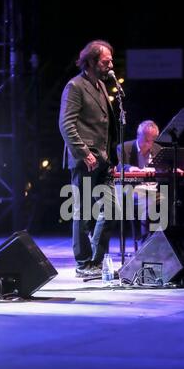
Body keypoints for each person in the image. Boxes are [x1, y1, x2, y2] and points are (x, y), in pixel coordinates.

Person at [59, 40, 118, 277]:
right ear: (92, 62)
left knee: (112, 209)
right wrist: (84, 152)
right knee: (83, 212)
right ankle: (83, 263)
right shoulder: (75, 86)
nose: (111, 65)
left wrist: (111, 157)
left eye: (111, 61)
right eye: (106, 61)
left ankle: (97, 260)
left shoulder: (101, 86)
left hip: (104, 160)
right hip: (85, 160)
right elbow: (66, 124)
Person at [117, 120, 164, 243]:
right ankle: (146, 242)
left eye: (151, 140)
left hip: (153, 188)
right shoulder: (124, 148)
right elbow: (118, 166)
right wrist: (129, 168)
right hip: (133, 188)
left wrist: (175, 167)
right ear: (138, 135)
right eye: (145, 139)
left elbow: (164, 168)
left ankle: (162, 240)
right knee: (148, 201)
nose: (148, 144)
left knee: (173, 201)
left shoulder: (158, 149)